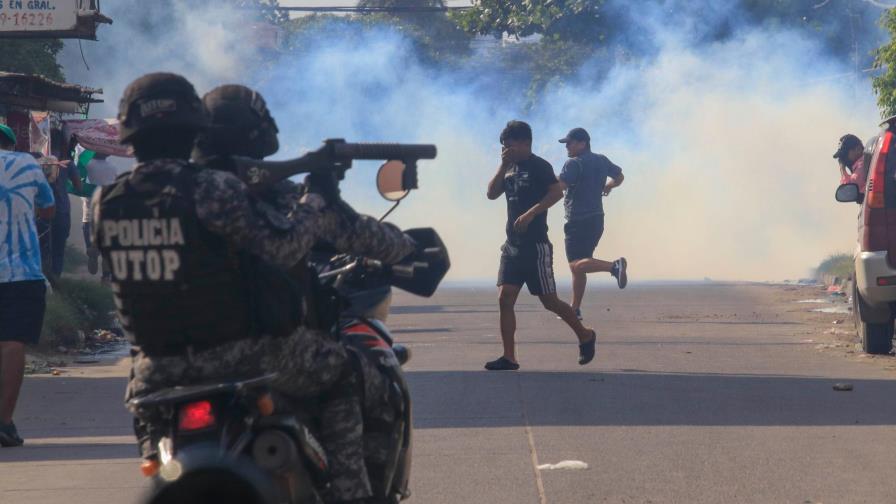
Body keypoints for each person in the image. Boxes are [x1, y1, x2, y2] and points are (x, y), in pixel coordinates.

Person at [93, 73, 415, 503]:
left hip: (155, 369)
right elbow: (282, 246)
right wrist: (318, 196)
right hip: (246, 357)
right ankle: (351, 493)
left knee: (151, 423)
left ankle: (160, 467)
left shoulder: (106, 202)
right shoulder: (213, 189)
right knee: (349, 374)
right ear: (192, 126)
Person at [192, 84, 406, 497]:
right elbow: (350, 233)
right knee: (356, 375)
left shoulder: (169, 193)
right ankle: (352, 492)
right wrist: (406, 247)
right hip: (260, 355)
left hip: (169, 364)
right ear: (256, 134)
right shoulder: (269, 194)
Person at [485, 120, 597, 371]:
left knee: (550, 301)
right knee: (505, 298)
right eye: (503, 147)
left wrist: (531, 213)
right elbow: (491, 194)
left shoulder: (539, 166)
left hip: (535, 247)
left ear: (525, 143)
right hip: (512, 246)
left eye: (510, 146)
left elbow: (556, 193)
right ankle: (509, 357)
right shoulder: (508, 167)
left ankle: (585, 334)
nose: (506, 151)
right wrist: (503, 165)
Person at [0, 123, 56, 447]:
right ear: (11, 144)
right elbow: (48, 209)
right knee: (12, 344)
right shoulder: (26, 163)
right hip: (21, 272)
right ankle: (4, 422)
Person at [556, 127, 628, 318]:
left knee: (576, 265)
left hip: (578, 221)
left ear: (583, 143)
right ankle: (575, 309)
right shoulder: (601, 160)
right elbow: (619, 177)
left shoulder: (573, 163)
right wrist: (609, 186)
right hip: (597, 219)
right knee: (580, 265)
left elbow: (560, 186)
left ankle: (614, 267)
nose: (567, 147)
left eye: (570, 143)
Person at [47, 154, 81, 278]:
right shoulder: (67, 164)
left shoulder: (35, 160)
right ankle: (55, 279)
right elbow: (79, 186)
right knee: (58, 248)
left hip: (38, 210)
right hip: (60, 210)